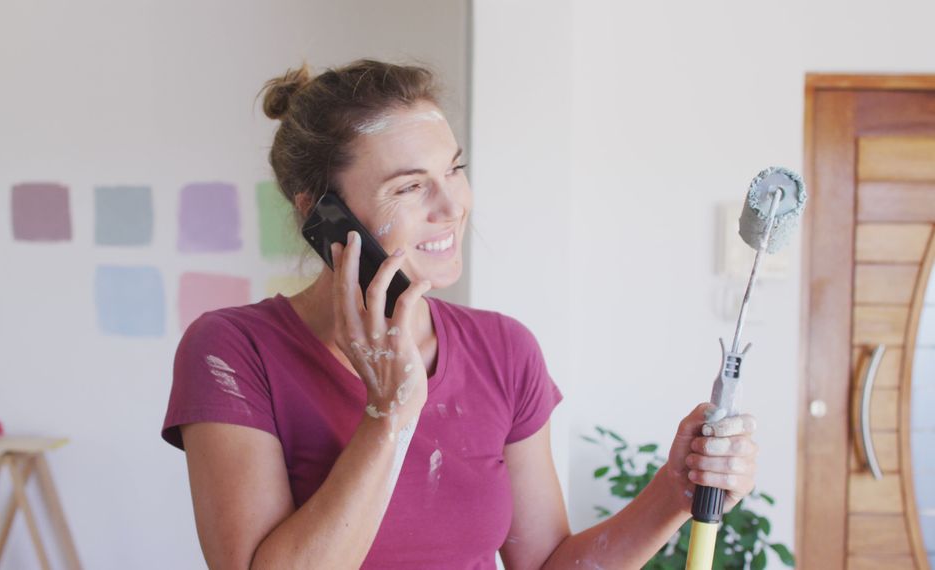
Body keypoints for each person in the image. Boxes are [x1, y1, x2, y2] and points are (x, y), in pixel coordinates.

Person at [161, 59, 758, 569]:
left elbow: (545, 562)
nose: (452, 206)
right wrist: (389, 416)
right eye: (410, 186)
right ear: (322, 216)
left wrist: (674, 491)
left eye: (453, 169)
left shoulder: (504, 350)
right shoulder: (233, 351)